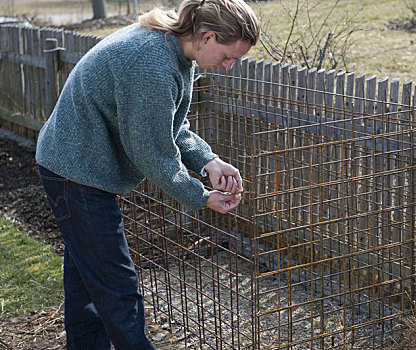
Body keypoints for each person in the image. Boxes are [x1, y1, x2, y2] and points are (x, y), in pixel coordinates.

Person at [35, 0, 260, 348]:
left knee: (87, 280)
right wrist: (200, 197)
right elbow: (151, 152)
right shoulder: (150, 62)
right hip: (74, 172)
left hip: (76, 165)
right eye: (229, 56)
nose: (229, 66)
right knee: (117, 285)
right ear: (208, 36)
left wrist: (208, 162)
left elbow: (169, 124)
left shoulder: (174, 49)